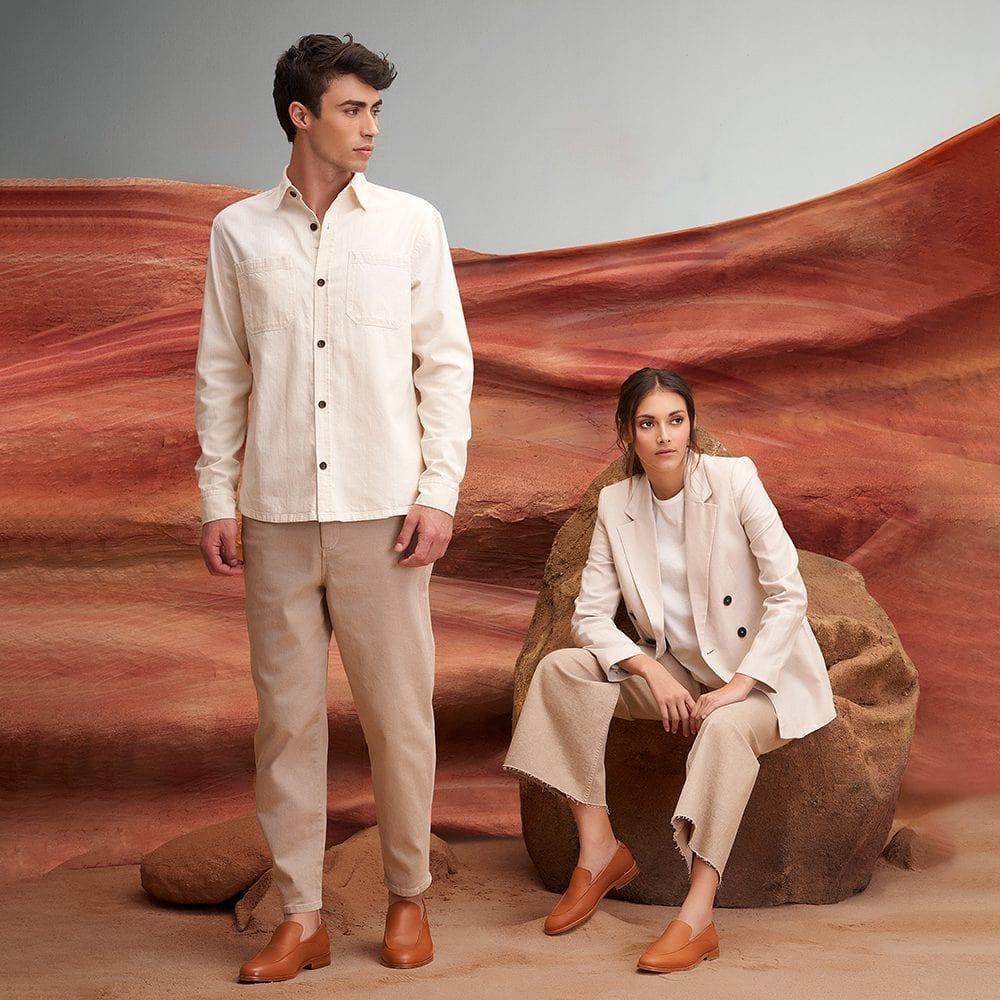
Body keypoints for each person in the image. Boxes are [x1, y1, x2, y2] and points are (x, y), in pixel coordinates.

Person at [193, 33, 473, 982]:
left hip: (384, 516)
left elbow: (447, 367)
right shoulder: (239, 233)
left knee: (399, 718)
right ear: (299, 115)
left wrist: (438, 494)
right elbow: (221, 372)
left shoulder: (411, 225)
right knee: (286, 724)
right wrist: (215, 497)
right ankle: (302, 914)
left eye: (377, 111)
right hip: (273, 512)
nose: (371, 129)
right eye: (353, 109)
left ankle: (407, 899)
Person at [503, 367, 836, 973]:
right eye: (648, 423)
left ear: (691, 425)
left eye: (676, 421)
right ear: (629, 435)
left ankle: (697, 917)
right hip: (675, 672)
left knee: (726, 730)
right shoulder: (617, 503)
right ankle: (598, 847)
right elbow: (590, 618)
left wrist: (739, 688)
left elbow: (789, 594)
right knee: (560, 672)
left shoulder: (735, 481)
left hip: (762, 680)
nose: (665, 436)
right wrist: (650, 674)